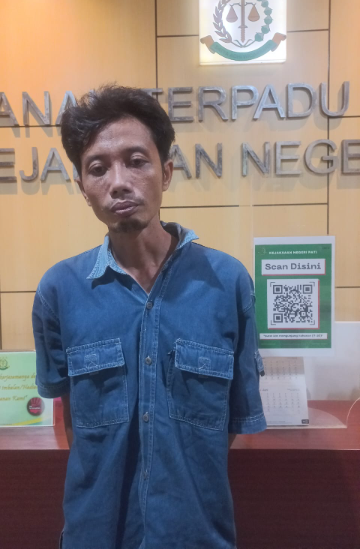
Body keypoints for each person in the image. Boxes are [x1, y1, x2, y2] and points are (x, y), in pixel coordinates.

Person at [32, 85, 266, 549]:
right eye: (98, 168)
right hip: (96, 534)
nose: (118, 182)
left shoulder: (227, 283)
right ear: (82, 188)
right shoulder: (59, 290)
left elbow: (234, 423)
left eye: (136, 161)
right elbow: (71, 419)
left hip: (195, 535)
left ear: (167, 171)